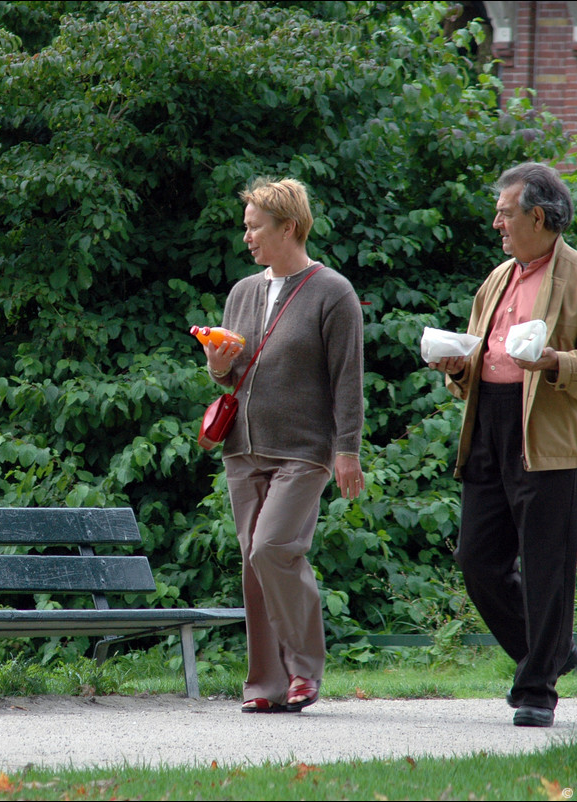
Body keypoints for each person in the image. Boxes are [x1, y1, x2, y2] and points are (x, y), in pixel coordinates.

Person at [428, 162, 577, 728]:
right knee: (477, 560)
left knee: (548, 566)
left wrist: (552, 362)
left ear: (536, 215)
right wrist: (457, 366)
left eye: (504, 211)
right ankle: (551, 651)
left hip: (551, 437)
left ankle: (537, 688)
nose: (497, 222)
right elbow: (477, 356)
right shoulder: (496, 279)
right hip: (489, 425)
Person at [204, 177, 365, 714]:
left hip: (303, 450)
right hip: (243, 448)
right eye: (246, 226)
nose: (246, 236)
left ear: (288, 227)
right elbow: (229, 380)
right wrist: (218, 366)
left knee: (272, 548)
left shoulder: (332, 292)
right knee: (254, 564)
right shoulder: (242, 293)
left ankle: (304, 671)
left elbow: (347, 379)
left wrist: (347, 450)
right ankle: (267, 687)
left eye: (255, 227)